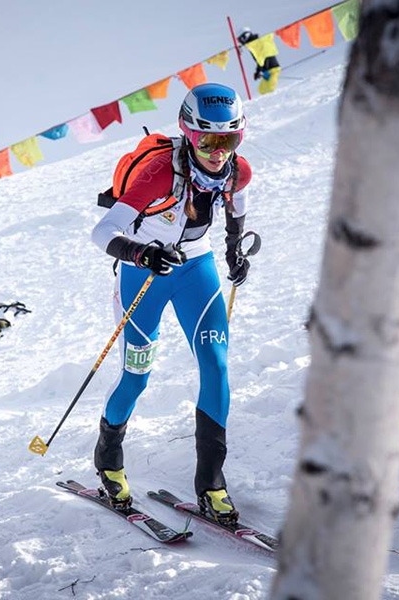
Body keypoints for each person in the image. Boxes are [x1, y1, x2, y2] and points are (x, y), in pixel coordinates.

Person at [90, 83, 253, 525]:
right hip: (145, 274)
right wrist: (143, 254)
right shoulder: (160, 172)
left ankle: (212, 483)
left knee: (216, 366)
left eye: (229, 139)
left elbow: (236, 210)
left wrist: (235, 251)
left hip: (196, 270)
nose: (219, 151)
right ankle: (108, 457)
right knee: (136, 375)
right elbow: (103, 231)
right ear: (188, 132)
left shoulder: (239, 171)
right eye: (207, 140)